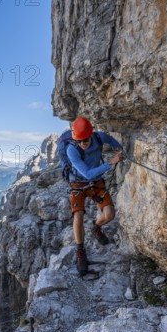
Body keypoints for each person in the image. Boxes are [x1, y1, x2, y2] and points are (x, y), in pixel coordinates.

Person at [67, 117, 124, 276]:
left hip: (96, 183)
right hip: (78, 184)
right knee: (78, 216)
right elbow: (88, 174)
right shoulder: (72, 150)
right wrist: (111, 162)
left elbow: (112, 141)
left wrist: (119, 150)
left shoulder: (99, 137)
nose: (82, 144)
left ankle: (96, 227)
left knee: (110, 214)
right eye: (79, 141)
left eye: (85, 140)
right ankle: (80, 251)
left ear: (91, 135)